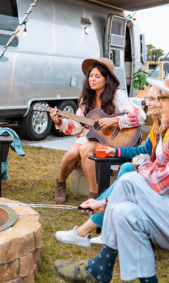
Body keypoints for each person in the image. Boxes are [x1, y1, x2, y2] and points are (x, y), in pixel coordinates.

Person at [54, 61, 169, 282]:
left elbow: (163, 182)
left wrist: (142, 164)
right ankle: (116, 271)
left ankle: (101, 266)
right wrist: (106, 204)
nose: (155, 104)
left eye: (162, 98)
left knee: (132, 178)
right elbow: (161, 175)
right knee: (124, 213)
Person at [55, 86, 169, 247]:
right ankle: (109, 229)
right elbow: (146, 150)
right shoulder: (158, 125)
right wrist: (114, 150)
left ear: (166, 102)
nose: (147, 103)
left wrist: (115, 122)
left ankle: (84, 231)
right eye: (147, 99)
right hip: (154, 172)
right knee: (125, 169)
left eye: (152, 99)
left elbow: (167, 165)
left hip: (162, 180)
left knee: (128, 176)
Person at [51, 58, 145, 203]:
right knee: (71, 153)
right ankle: (61, 184)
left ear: (106, 79)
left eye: (97, 76)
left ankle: (94, 194)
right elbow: (76, 125)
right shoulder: (85, 98)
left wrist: (114, 120)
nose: (92, 80)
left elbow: (140, 116)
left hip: (113, 139)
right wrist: (59, 121)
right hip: (91, 137)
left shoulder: (117, 95)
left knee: (85, 150)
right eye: (91, 76)